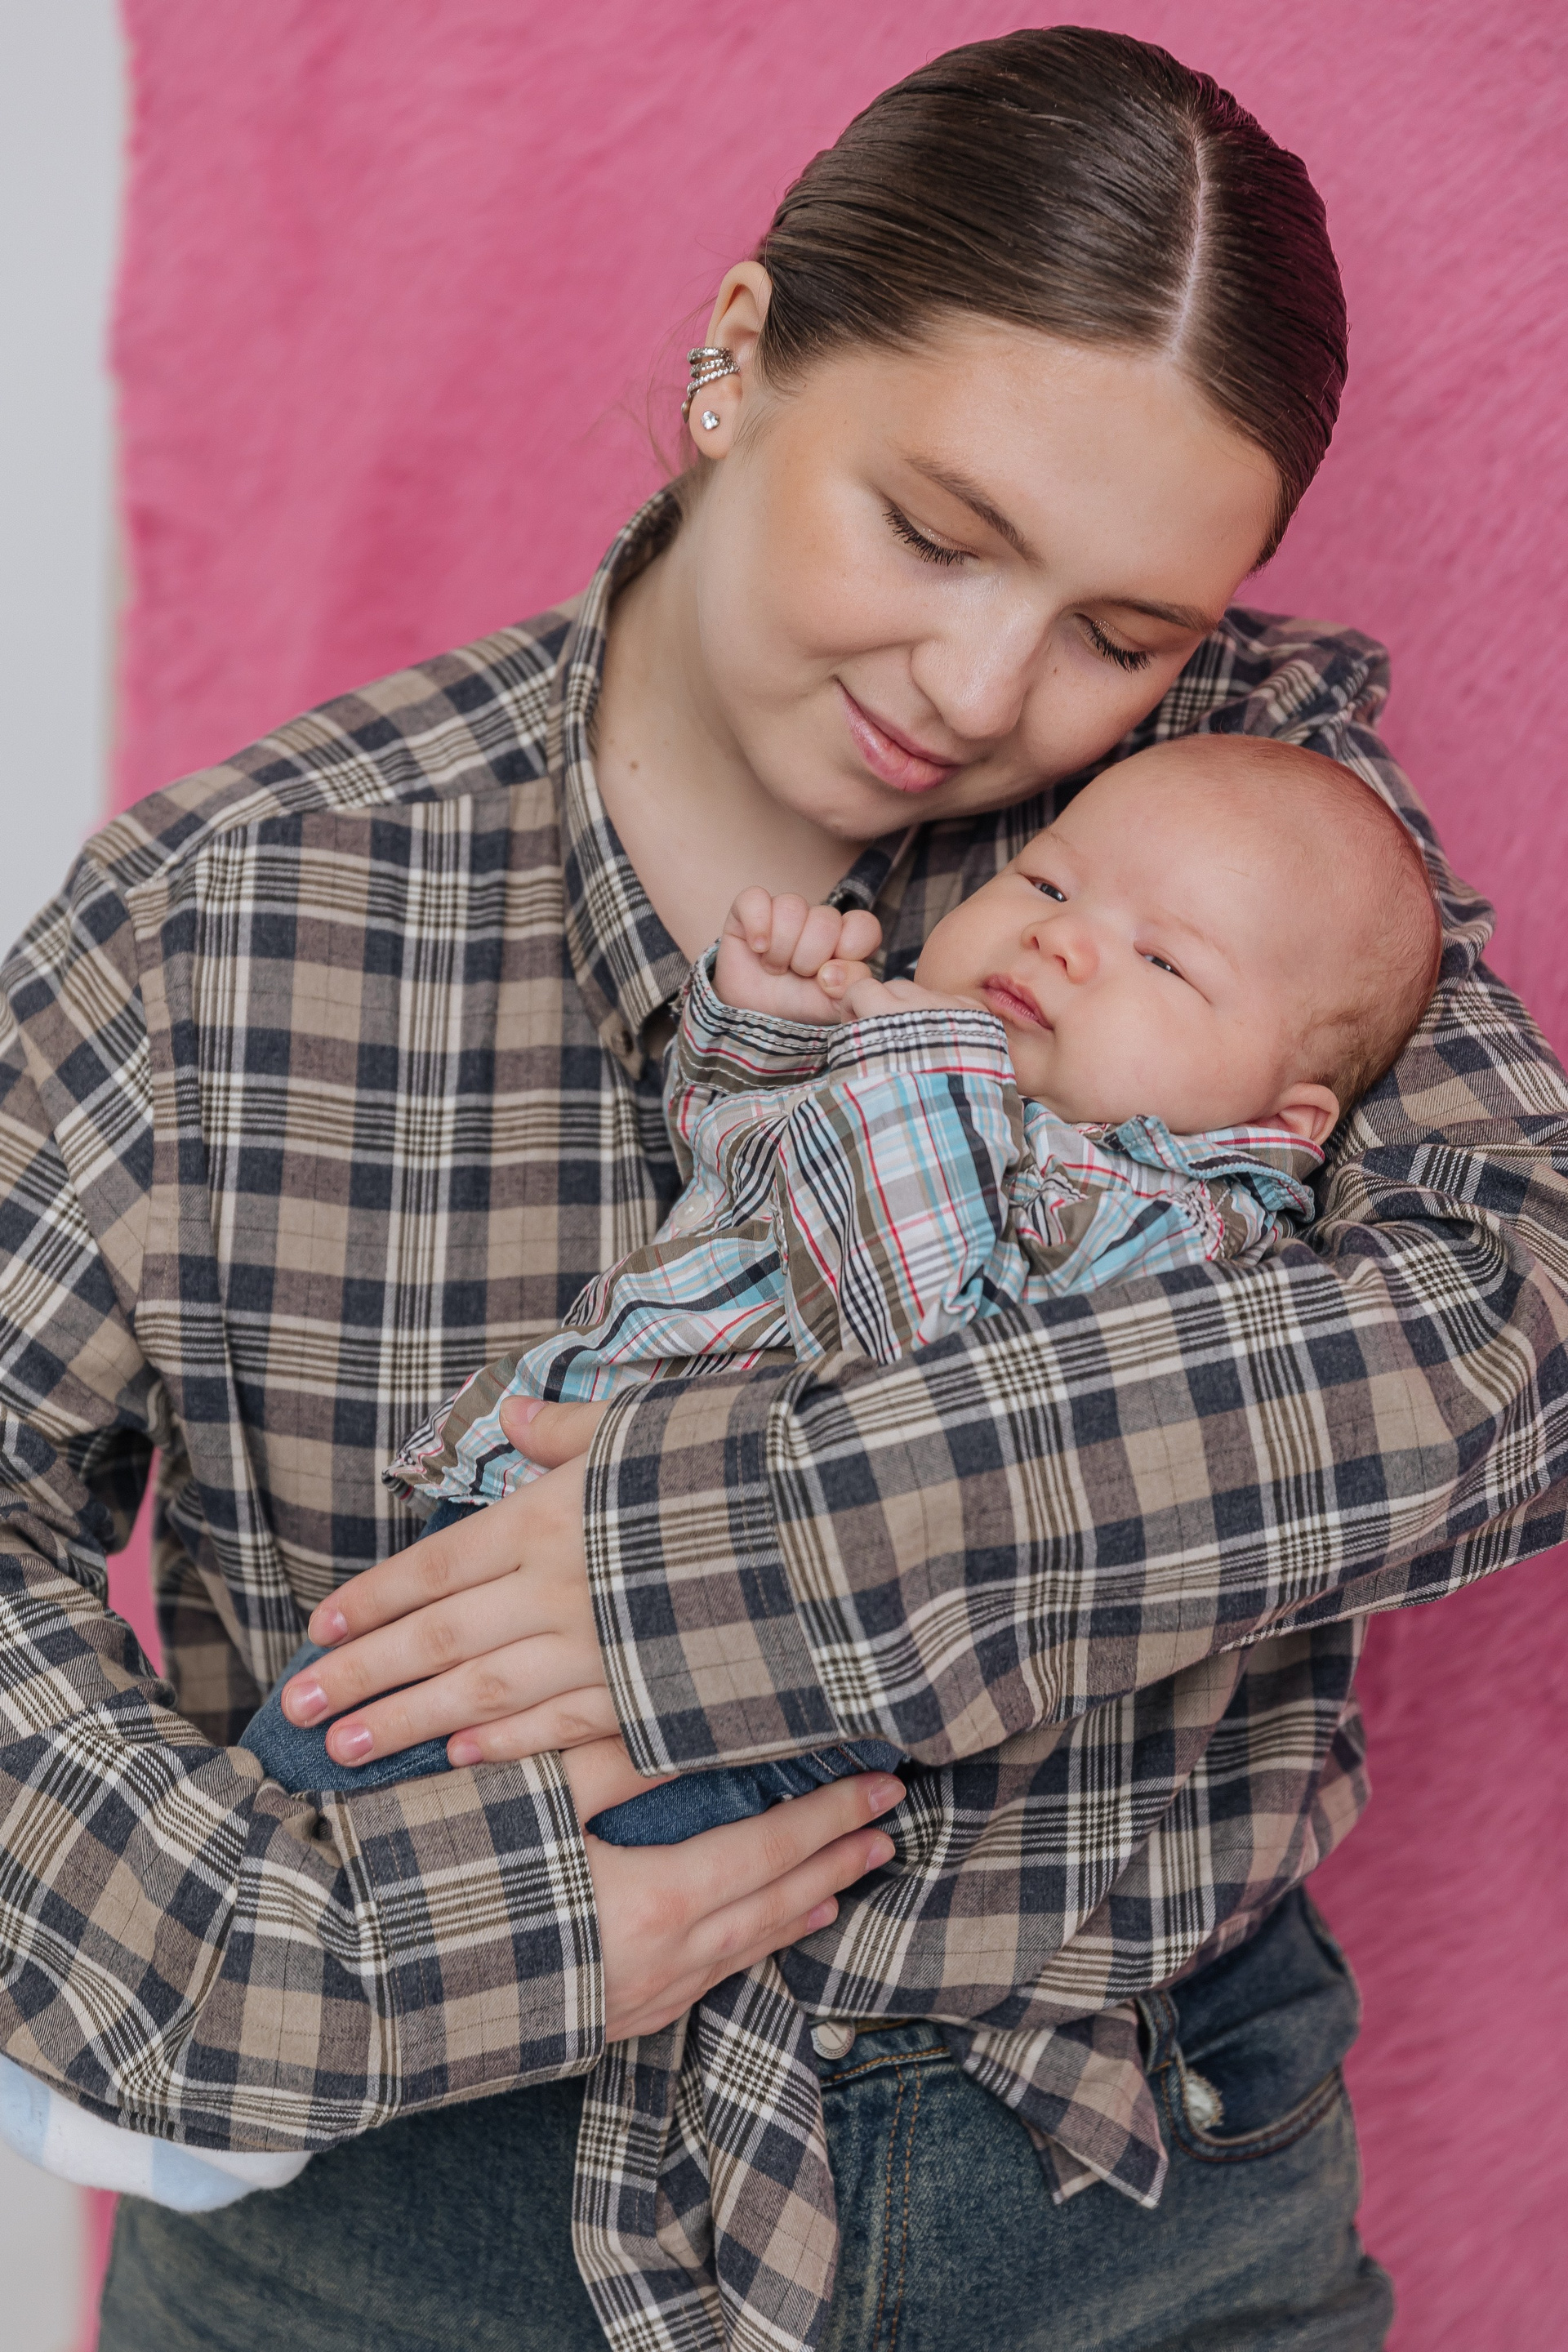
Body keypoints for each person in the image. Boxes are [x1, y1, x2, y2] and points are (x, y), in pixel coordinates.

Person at [0, 25, 1557, 2352]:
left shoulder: (1242, 818)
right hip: (392, 2225)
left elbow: (1517, 1321)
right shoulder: (224, 909)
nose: (987, 689)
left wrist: (758, 1565)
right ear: (737, 353)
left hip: (1127, 2200)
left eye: (1122, 632)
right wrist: (328, 1964)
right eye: (936, 531)